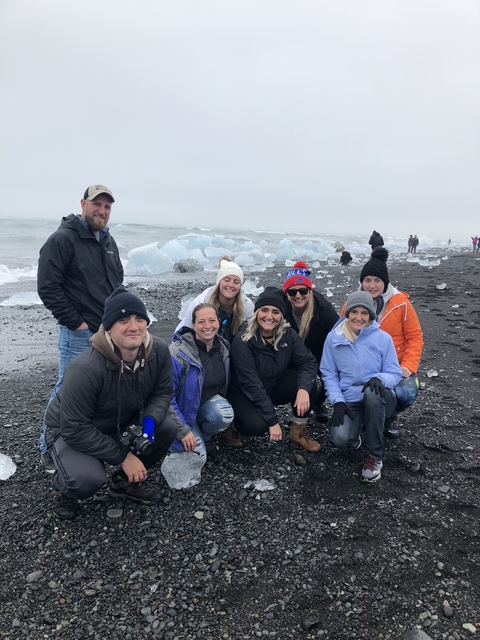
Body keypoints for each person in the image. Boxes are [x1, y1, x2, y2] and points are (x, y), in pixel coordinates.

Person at [45, 288, 177, 520]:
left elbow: (161, 392)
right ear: (108, 327)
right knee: (87, 480)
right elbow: (75, 428)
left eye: (139, 319)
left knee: (166, 427)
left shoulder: (159, 351)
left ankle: (122, 484)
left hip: (119, 421)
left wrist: (148, 422)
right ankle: (63, 487)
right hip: (70, 430)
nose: (133, 326)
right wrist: (123, 457)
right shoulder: (85, 368)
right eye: (123, 320)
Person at [37, 185, 124, 472]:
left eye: (107, 206)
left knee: (100, 385)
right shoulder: (63, 239)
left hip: (108, 331)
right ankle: (48, 446)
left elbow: (116, 282)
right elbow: (48, 287)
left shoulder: (108, 241)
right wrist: (76, 322)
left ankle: (85, 439)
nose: (102, 210)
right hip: (80, 332)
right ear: (83, 204)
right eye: (96, 204)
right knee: (67, 386)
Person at [340, 248, 424, 438]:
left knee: (406, 393)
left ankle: (390, 415)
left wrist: (408, 366)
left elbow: (415, 337)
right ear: (361, 282)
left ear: (385, 282)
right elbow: (341, 336)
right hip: (362, 366)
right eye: (367, 280)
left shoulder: (401, 304)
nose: (372, 285)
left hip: (394, 365)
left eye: (377, 280)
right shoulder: (350, 304)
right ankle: (361, 415)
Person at [320, 292, 403, 483]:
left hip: (380, 396)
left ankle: (374, 455)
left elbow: (395, 373)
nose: (359, 317)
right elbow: (328, 373)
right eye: (354, 312)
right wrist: (337, 401)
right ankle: (357, 432)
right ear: (347, 313)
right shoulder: (334, 339)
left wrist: (379, 378)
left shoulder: (383, 338)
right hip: (351, 398)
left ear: (370, 316)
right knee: (340, 439)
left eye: (364, 313)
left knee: (372, 393)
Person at [227, 287, 320, 451]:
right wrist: (273, 421)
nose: (269, 316)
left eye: (275, 312)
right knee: (257, 426)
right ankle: (231, 425)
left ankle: (298, 431)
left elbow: (308, 361)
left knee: (308, 383)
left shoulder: (287, 334)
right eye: (264, 310)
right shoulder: (242, 341)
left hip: (271, 385)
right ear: (257, 313)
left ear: (281, 315)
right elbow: (251, 384)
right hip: (243, 393)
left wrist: (304, 389)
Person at [169, 303, 234, 467]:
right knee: (198, 460)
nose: (207, 326)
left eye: (212, 320)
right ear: (193, 325)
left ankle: (205, 437)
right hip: (180, 414)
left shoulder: (224, 348)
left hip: (203, 406)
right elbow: (165, 397)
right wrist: (182, 430)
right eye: (201, 322)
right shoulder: (177, 353)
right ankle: (169, 438)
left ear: (218, 322)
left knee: (224, 413)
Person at [282, 261, 339, 422]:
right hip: (293, 353)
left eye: (303, 290)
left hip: (320, 351)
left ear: (310, 290)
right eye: (292, 292)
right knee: (297, 380)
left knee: (332, 379)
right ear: (286, 293)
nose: (298, 295)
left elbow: (340, 332)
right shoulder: (281, 306)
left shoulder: (324, 308)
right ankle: (297, 412)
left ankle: (317, 404)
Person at [175, 256, 254, 344]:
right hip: (199, 348)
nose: (231, 285)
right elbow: (185, 331)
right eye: (226, 280)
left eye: (236, 282)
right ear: (219, 282)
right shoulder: (201, 302)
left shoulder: (246, 307)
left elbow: (250, 337)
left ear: (240, 286)